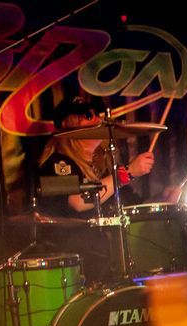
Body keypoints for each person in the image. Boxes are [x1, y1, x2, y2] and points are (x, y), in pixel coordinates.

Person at [36, 96, 154, 282]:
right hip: (79, 267)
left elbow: (133, 205)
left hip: (111, 262)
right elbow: (78, 202)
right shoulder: (57, 164)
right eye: (88, 116)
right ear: (67, 124)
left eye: (98, 115)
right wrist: (127, 173)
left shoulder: (105, 168)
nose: (98, 121)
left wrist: (164, 200)